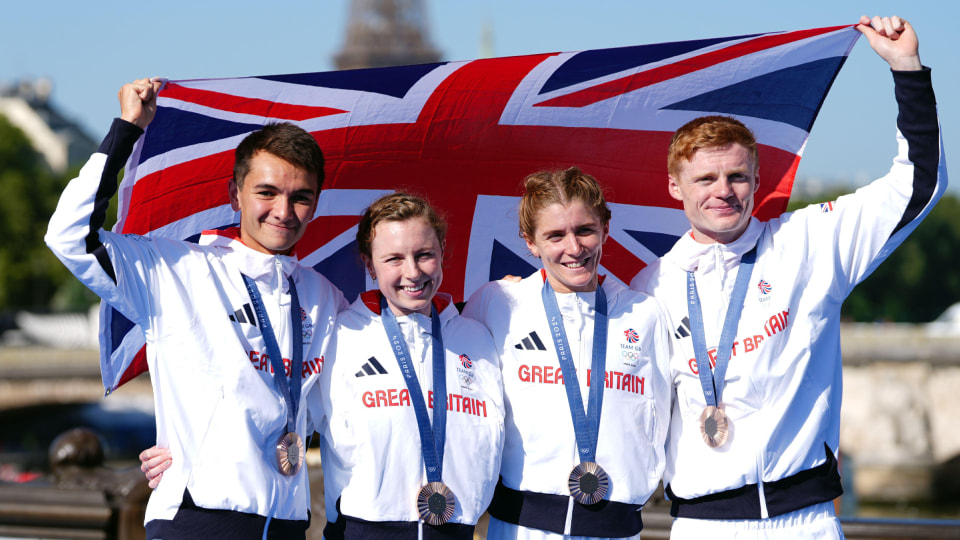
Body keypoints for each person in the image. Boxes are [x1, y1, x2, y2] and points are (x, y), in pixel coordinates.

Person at [629, 15, 947, 539]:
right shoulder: (650, 288)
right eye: (705, 178)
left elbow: (918, 183)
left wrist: (906, 69)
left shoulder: (808, 242)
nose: (723, 191)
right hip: (703, 526)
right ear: (674, 188)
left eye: (736, 175)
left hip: (807, 522)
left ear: (758, 178)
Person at [45, 78, 346, 538]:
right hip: (196, 519)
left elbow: (352, 411)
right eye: (266, 192)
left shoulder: (325, 297)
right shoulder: (176, 269)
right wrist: (127, 128)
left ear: (315, 204)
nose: (284, 210)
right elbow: (70, 237)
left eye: (300, 197)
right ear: (234, 195)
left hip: (287, 524)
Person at [463, 167, 672, 539]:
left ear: (606, 228)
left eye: (585, 230)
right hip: (522, 529)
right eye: (555, 235)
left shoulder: (645, 313)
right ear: (530, 241)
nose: (573, 249)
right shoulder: (496, 303)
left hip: (616, 529)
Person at [316, 192, 505, 538]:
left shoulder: (479, 338)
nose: (412, 272)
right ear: (369, 264)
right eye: (394, 259)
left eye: (424, 255)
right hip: (362, 532)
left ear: (443, 252)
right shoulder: (339, 335)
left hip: (456, 530)